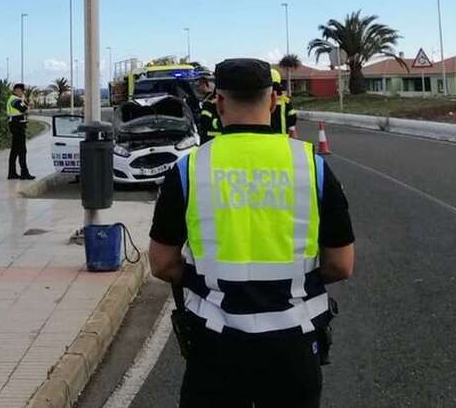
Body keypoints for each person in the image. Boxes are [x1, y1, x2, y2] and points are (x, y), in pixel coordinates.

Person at [149, 58, 355, 407]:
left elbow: (162, 264)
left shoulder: (189, 169)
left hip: (214, 348)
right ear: (273, 101)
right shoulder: (312, 166)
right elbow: (341, 265)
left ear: (219, 101)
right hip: (294, 344)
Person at [6, 83, 35, 180]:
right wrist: (28, 105)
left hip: (16, 125)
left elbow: (24, 107)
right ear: (17, 90)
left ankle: (12, 173)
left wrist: (26, 103)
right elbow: (23, 109)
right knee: (22, 150)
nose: (23, 93)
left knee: (14, 150)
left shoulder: (14, 99)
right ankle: (24, 173)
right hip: (17, 126)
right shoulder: (14, 100)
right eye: (22, 91)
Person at [270, 68, 297, 135]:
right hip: (283, 139)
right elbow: (292, 118)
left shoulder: (260, 102)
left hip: (265, 139)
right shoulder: (286, 101)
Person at [197, 76, 222, 144]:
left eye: (198, 86)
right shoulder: (209, 99)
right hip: (219, 138)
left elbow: (205, 121)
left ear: (204, 85)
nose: (197, 88)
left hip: (209, 139)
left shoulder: (209, 102)